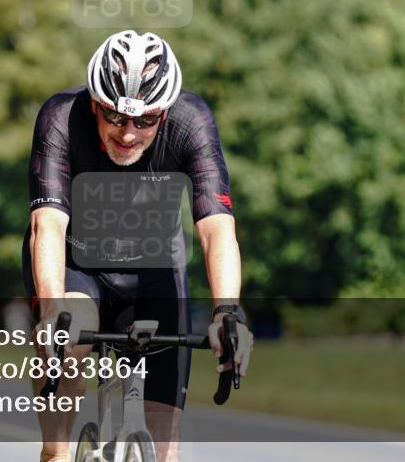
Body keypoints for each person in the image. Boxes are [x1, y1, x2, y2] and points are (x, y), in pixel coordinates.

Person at [24, 30, 254, 462]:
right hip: (79, 265)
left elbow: (217, 228)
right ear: (95, 103)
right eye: (114, 116)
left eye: (145, 120)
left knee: (166, 449)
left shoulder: (192, 121)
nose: (128, 134)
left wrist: (228, 311)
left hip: (154, 271)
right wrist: (53, 309)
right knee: (68, 340)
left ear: (164, 114)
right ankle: (54, 452)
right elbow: (47, 225)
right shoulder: (60, 117)